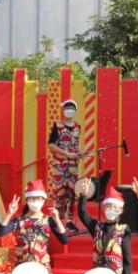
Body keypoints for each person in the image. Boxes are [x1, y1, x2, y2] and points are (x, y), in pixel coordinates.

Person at [48, 99, 82, 232]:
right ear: (63, 110)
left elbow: (76, 145)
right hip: (60, 164)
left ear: (75, 111)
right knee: (59, 192)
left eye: (72, 108)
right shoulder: (57, 125)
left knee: (72, 193)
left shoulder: (78, 126)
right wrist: (66, 153)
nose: (69, 110)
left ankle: (69, 221)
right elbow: (51, 145)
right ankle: (56, 220)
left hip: (73, 164)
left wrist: (79, 153)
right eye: (67, 108)